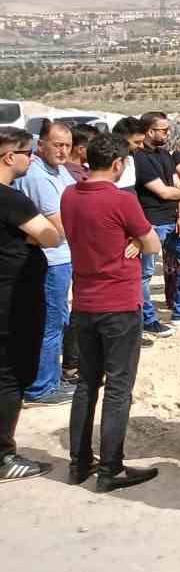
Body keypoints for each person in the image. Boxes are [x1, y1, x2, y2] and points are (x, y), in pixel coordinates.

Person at [59, 131, 161, 491]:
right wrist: (135, 239)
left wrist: (133, 239)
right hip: (118, 304)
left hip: (84, 302)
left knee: (87, 384)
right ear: (119, 164)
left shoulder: (70, 195)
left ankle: (79, 463)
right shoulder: (121, 200)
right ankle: (111, 469)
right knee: (119, 388)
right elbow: (152, 242)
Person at [0, 127, 65, 481]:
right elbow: (51, 234)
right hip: (12, 302)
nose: (32, 159)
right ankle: (4, 457)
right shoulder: (11, 199)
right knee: (12, 376)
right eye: (28, 153)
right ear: (10, 157)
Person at [17, 120, 75, 405]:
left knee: (58, 320)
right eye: (57, 145)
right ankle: (42, 387)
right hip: (52, 260)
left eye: (67, 145)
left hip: (62, 258)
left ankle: (51, 377)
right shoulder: (39, 177)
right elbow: (60, 225)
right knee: (50, 324)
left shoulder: (59, 170)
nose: (63, 151)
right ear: (41, 146)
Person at [134, 113, 180, 328]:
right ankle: (148, 318)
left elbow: (178, 187)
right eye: (163, 130)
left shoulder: (165, 155)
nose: (167, 134)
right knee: (145, 273)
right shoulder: (140, 159)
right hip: (153, 223)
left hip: (174, 221)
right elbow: (164, 192)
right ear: (150, 131)